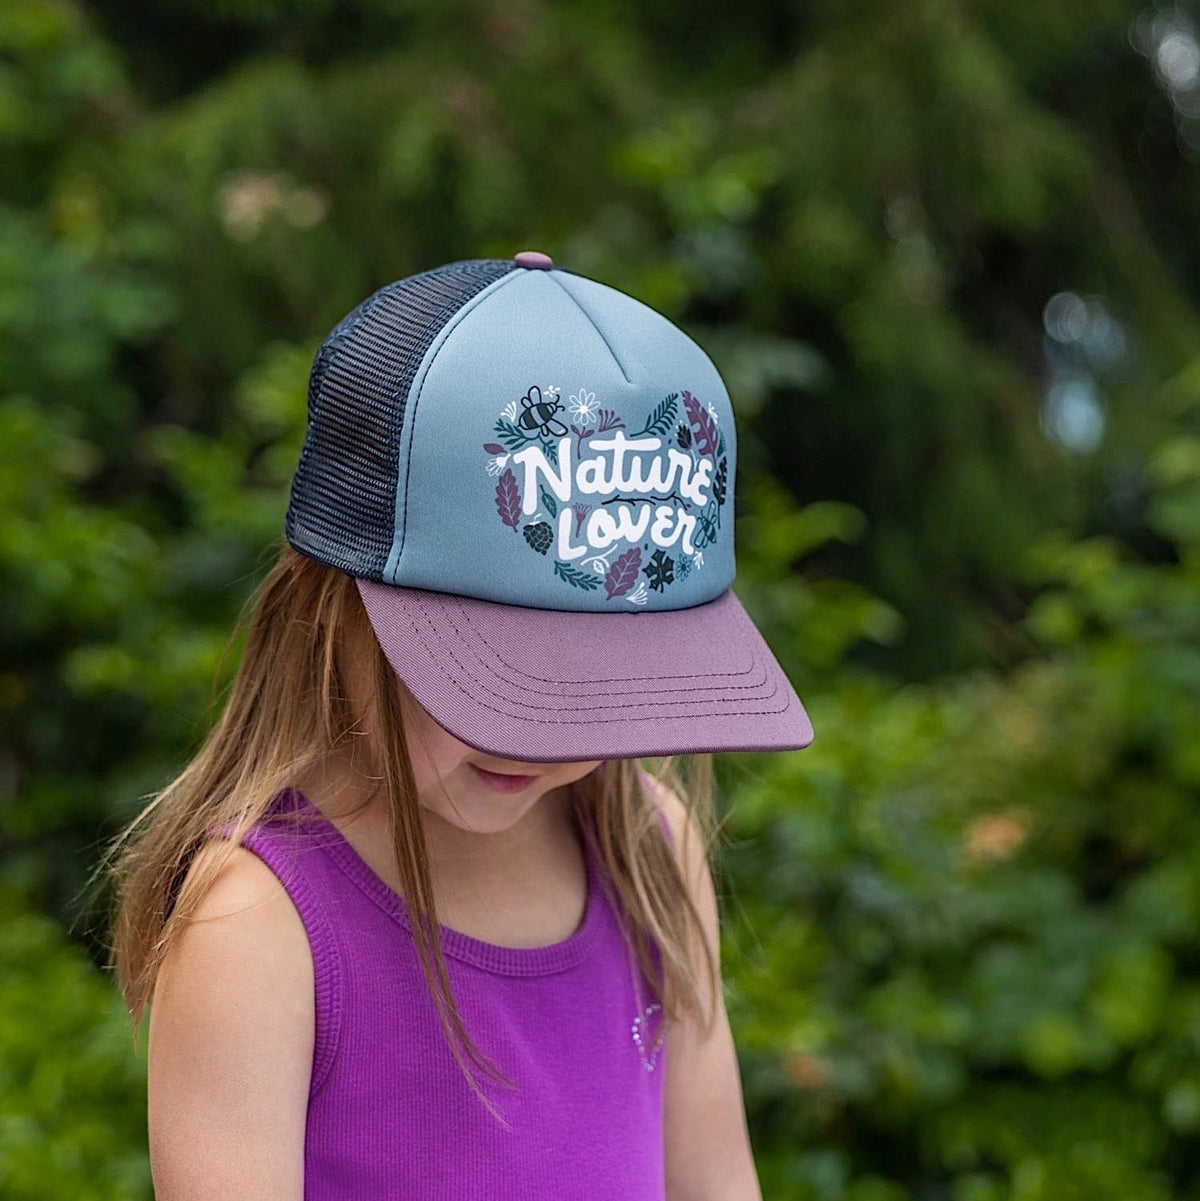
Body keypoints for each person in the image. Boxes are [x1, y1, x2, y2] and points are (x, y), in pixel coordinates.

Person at [100, 251, 814, 1200]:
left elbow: (719, 1181)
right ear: (335, 602)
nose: (536, 741)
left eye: (602, 683)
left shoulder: (648, 848)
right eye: (497, 675)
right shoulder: (256, 925)